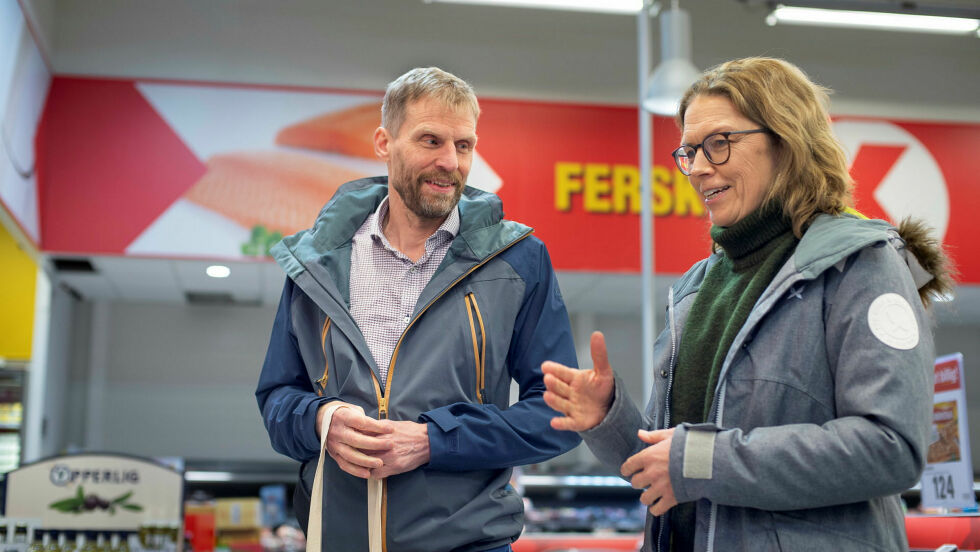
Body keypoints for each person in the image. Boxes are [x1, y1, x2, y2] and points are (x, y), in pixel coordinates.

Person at [542, 57, 952, 552]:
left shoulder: (862, 265)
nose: (696, 169)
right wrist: (608, 416)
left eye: (718, 144)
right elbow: (665, 464)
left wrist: (701, 460)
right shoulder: (696, 288)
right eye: (689, 151)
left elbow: (890, 448)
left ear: (786, 140)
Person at [255, 66, 580, 552]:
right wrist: (322, 421)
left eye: (464, 145)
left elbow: (558, 414)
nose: (450, 161)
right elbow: (278, 397)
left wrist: (435, 441)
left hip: (470, 541)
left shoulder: (518, 261)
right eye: (430, 140)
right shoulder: (316, 262)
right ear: (385, 143)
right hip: (338, 538)